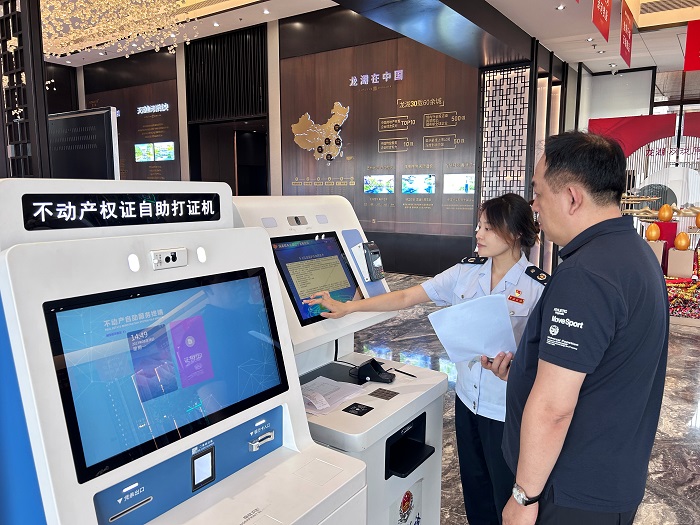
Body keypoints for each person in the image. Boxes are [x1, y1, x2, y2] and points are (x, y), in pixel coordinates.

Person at [305, 193, 547, 525]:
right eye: (479, 226)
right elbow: (406, 296)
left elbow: (544, 361)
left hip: (505, 410)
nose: (478, 233)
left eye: (489, 228)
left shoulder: (537, 287)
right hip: (467, 401)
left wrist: (515, 368)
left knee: (504, 496)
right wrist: (349, 307)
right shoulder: (466, 272)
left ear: (516, 232)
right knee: (475, 491)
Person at [485, 131, 669, 525]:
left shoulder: (586, 275)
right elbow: (602, 362)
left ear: (571, 197)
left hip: (568, 492)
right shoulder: (633, 253)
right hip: (608, 479)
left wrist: (523, 496)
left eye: (538, 193)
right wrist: (525, 369)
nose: (534, 206)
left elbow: (554, 408)